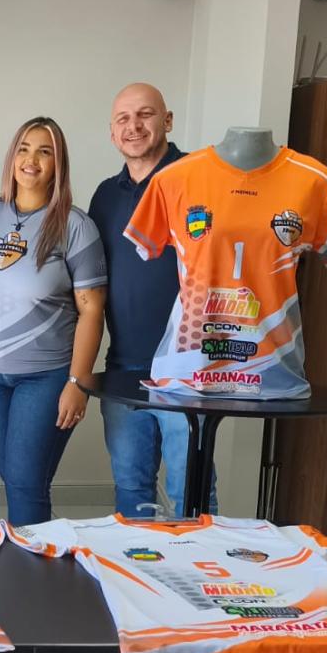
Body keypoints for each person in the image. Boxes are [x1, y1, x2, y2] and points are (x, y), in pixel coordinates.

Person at [0, 117, 106, 526]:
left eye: (45, 152)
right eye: (24, 149)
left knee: (25, 482)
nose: (31, 160)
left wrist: (78, 383)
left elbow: (92, 310)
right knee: (18, 479)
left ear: (58, 165)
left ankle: (27, 561)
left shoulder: (75, 225)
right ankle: (42, 552)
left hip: (45, 377)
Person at [88, 82, 209, 516]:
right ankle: (138, 562)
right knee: (131, 491)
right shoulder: (105, 195)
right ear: (112, 133)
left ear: (168, 120)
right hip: (124, 368)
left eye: (145, 114)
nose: (133, 126)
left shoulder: (200, 180)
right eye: (123, 119)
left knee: (190, 494)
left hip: (187, 369)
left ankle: (197, 562)